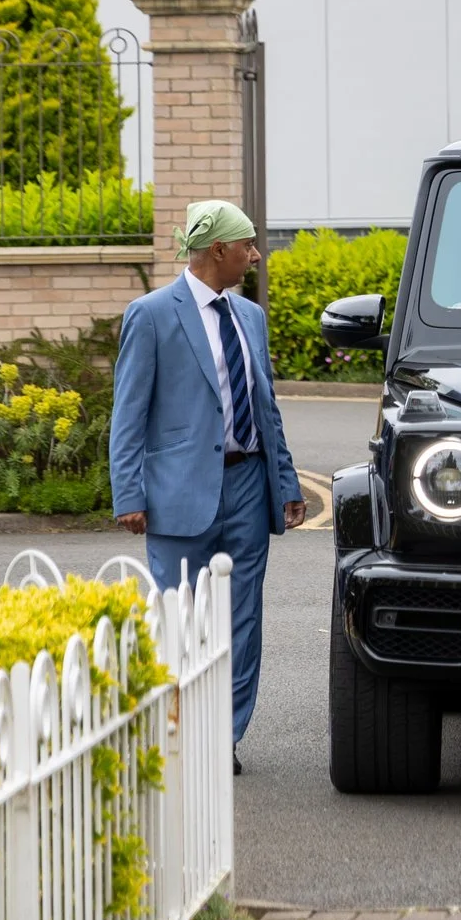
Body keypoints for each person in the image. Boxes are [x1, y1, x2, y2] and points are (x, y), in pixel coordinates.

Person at [109, 201, 305, 773]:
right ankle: (178, 729)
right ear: (217, 250)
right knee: (179, 616)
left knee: (242, 619)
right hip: (177, 493)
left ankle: (224, 738)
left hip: (247, 484)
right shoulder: (150, 314)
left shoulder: (251, 316)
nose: (257, 253)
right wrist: (130, 494)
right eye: (248, 244)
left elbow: (266, 409)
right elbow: (128, 414)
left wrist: (286, 482)